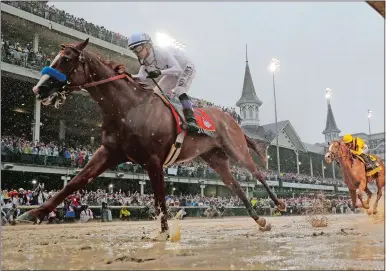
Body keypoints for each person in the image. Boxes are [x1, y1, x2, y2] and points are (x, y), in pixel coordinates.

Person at [127, 32, 199, 133]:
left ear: (148, 46)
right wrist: (125, 75)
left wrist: (160, 72)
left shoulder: (161, 52)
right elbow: (141, 77)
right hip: (172, 71)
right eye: (133, 50)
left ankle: (191, 119)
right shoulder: (144, 60)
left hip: (186, 67)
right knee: (156, 93)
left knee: (179, 89)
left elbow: (178, 69)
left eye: (138, 49)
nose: (136, 53)